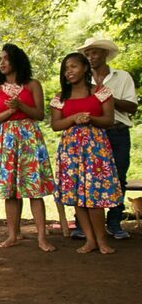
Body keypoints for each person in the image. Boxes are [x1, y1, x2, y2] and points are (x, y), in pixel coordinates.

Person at [0, 44, 56, 252]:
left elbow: (40, 114)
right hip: (5, 140)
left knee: (34, 189)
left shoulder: (32, 84)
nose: (2, 62)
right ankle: (12, 235)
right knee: (10, 192)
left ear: (18, 60)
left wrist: (21, 106)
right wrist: (9, 112)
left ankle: (42, 237)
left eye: (6, 58)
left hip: (29, 139)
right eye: (0, 59)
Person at [51, 53, 122, 254]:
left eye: (73, 67)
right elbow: (55, 125)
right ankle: (90, 240)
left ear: (84, 68)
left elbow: (109, 120)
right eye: (66, 69)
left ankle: (102, 241)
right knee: (77, 195)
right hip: (71, 150)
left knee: (94, 194)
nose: (69, 72)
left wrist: (91, 119)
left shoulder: (101, 92)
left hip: (95, 149)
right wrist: (74, 118)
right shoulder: (60, 97)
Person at [77, 38, 138, 240]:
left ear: (105, 54)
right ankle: (82, 225)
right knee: (86, 178)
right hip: (92, 133)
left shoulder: (122, 77)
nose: (90, 57)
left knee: (118, 177)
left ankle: (114, 222)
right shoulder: (81, 80)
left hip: (118, 132)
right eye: (87, 54)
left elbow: (132, 107)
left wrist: (108, 97)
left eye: (94, 53)